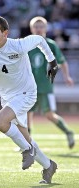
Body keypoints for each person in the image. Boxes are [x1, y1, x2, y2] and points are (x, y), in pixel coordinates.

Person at [0, 16, 58, 184]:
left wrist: (52, 61)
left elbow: (39, 39)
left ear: (5, 33)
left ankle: (26, 150)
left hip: (27, 93)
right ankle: (48, 165)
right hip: (8, 98)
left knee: (0, 122)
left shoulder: (18, 45)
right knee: (25, 137)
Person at [28, 16, 75, 149]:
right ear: (32, 29)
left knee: (49, 115)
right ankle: (27, 142)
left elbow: (62, 61)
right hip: (29, 87)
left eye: (41, 26)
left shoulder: (51, 44)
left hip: (45, 86)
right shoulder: (27, 44)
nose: (38, 29)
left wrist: (67, 76)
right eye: (36, 26)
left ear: (46, 29)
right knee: (26, 113)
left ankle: (68, 132)